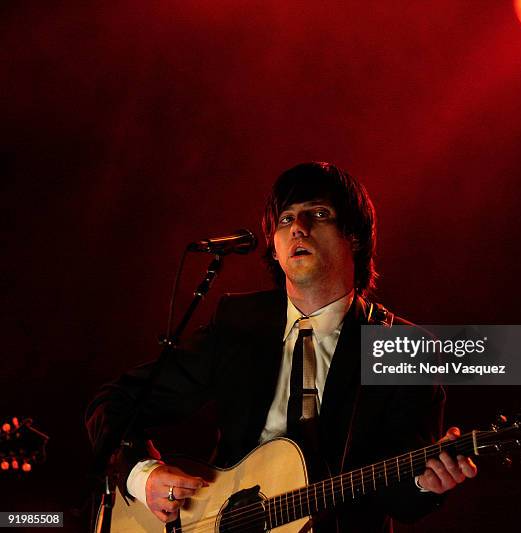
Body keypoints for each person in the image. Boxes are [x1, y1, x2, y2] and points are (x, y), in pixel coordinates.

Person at [86, 162, 476, 532]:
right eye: (285, 219)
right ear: (273, 248)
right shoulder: (239, 325)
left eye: (318, 214)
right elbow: (115, 402)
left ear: (354, 237)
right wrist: (143, 476)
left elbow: (402, 499)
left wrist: (428, 482)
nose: (298, 228)